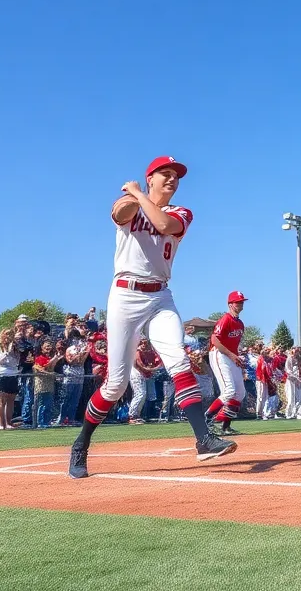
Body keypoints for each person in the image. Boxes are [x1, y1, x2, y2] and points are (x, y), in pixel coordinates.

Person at [68, 156, 236, 479]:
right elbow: (119, 214)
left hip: (160, 295)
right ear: (151, 179)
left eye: (176, 176)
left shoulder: (181, 213)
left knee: (177, 358)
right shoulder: (133, 201)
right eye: (166, 175)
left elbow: (162, 224)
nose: (173, 180)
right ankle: (81, 443)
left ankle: (203, 439)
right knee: (115, 385)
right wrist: (132, 196)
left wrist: (138, 193)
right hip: (125, 294)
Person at [205, 291, 248, 435]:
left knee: (240, 393)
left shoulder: (240, 323)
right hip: (219, 354)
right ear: (230, 304)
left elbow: (234, 345)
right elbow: (215, 340)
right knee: (229, 390)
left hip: (230, 356)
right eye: (238, 302)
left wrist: (237, 359)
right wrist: (231, 355)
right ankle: (206, 420)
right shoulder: (225, 319)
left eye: (242, 301)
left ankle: (225, 427)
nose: (241, 304)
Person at [0, 328, 22, 430]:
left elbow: (16, 361)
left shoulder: (15, 348)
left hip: (13, 375)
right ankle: (1, 424)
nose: (8, 337)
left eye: (10, 335)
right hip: (2, 375)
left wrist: (13, 350)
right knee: (1, 400)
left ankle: (8, 422)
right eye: (6, 334)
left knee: (11, 400)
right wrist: (6, 352)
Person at [129, 337, 162, 424]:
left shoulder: (145, 352)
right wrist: (154, 368)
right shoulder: (137, 351)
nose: (144, 345)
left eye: (146, 343)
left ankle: (137, 415)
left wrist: (152, 368)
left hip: (141, 376)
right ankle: (131, 415)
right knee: (140, 394)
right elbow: (140, 366)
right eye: (142, 343)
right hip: (136, 375)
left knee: (143, 395)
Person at [284, 346, 301, 419]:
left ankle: (298, 413)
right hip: (291, 380)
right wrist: (296, 377)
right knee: (291, 397)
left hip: (299, 380)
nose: (297, 352)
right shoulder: (290, 358)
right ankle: (289, 413)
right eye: (296, 351)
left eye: (298, 351)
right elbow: (288, 370)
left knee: (299, 397)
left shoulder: (300, 359)